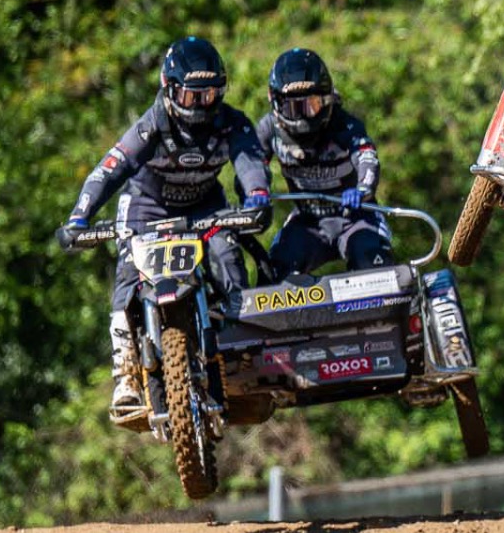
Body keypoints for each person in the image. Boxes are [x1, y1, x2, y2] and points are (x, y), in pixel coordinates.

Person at [65, 36, 272, 419]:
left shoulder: (232, 122)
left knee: (227, 255)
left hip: (206, 208)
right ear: (170, 89)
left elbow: (250, 162)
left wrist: (257, 197)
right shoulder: (151, 126)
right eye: (193, 96)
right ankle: (126, 374)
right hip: (147, 208)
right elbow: (110, 168)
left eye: (210, 95)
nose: (201, 106)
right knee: (128, 272)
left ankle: (240, 349)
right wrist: (80, 216)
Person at [255, 48, 391, 277]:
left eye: (312, 105)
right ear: (275, 102)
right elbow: (252, 165)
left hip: (357, 217)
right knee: (274, 272)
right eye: (293, 107)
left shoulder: (345, 124)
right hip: (307, 223)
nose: (303, 116)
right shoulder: (268, 129)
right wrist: (255, 190)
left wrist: (363, 189)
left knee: (375, 266)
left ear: (327, 98)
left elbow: (366, 157)